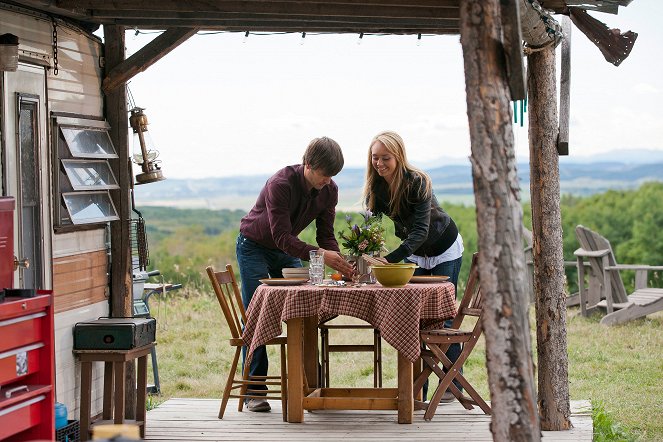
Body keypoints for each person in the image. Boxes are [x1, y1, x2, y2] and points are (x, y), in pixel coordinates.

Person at [236, 136, 354, 412]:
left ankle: (310, 387)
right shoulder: (280, 184)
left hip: (288, 247)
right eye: (324, 174)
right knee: (257, 311)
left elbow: (325, 235)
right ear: (308, 164)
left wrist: (340, 263)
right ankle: (254, 391)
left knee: (303, 306)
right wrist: (321, 255)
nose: (328, 181)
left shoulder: (329, 190)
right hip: (254, 246)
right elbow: (281, 236)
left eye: (332, 176)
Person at [363, 130, 464, 403]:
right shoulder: (376, 187)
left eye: (386, 158)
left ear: (398, 156)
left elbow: (419, 231)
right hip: (415, 254)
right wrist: (365, 247)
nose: (379, 163)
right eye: (375, 157)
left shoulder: (418, 182)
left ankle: (452, 385)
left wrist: (391, 259)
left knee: (443, 315)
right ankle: (420, 390)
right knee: (417, 316)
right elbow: (370, 224)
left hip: (444, 248)